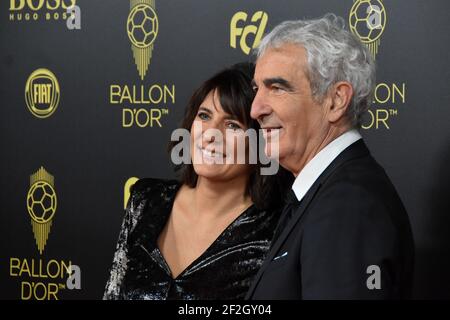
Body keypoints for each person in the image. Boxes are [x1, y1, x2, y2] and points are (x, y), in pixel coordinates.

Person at [246, 14, 414, 299]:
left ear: (335, 101)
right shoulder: (324, 193)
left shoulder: (349, 205)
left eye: (276, 88)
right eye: (257, 89)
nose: (255, 109)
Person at [103, 63, 293, 300]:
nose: (210, 134)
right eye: (204, 116)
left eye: (232, 125)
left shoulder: (276, 230)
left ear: (261, 142)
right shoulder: (145, 199)